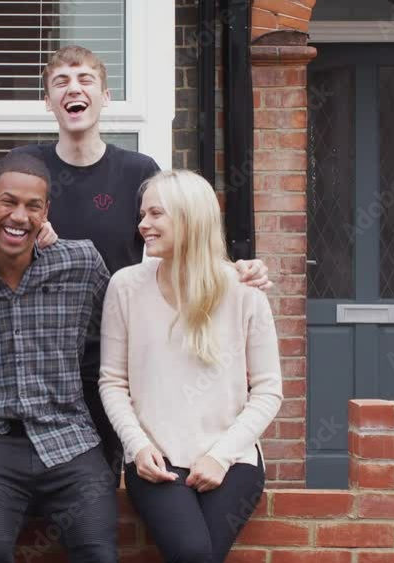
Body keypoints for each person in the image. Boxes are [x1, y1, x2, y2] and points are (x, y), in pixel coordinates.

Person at [0, 45, 271, 475]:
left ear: (106, 96)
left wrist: (231, 270)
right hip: (45, 361)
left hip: (117, 361)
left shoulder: (137, 171)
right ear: (48, 101)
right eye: (61, 82)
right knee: (39, 492)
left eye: (85, 80)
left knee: (105, 488)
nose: (73, 89)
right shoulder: (25, 164)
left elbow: (179, 236)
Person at [0, 152, 118, 563]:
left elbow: (135, 316)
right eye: (8, 202)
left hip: (70, 438)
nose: (19, 216)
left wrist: (228, 277)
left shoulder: (79, 263)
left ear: (46, 212)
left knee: (99, 554)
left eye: (33, 206)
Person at [99, 170, 283, 563]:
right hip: (155, 461)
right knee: (195, 554)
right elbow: (112, 383)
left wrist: (221, 456)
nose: (142, 225)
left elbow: (268, 390)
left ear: (189, 219)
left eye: (155, 214)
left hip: (232, 460)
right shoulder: (126, 287)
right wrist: (138, 446)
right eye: (142, 214)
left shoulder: (245, 293)